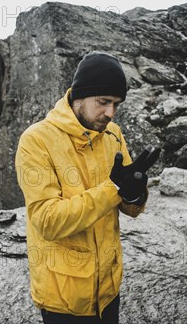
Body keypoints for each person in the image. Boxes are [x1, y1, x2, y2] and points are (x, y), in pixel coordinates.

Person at [15, 51, 160, 323]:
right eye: (103, 102)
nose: (110, 113)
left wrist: (135, 193)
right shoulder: (37, 140)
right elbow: (47, 221)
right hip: (65, 296)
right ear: (78, 97)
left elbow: (129, 206)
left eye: (117, 104)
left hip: (108, 287)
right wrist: (113, 188)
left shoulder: (113, 134)